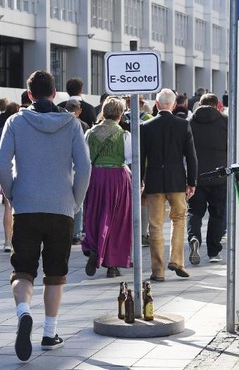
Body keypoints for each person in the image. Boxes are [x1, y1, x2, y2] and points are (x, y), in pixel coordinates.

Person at [0, 70, 91, 360]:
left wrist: (12, 193)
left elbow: (0, 163)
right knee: (55, 273)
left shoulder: (15, 121)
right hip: (61, 207)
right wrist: (75, 201)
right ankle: (50, 333)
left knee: (23, 269)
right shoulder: (71, 123)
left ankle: (23, 312)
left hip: (26, 207)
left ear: (30, 94)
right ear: (55, 92)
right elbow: (84, 168)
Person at [140, 88, 198, 281]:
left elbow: (141, 158)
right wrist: (192, 182)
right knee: (179, 219)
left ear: (157, 104)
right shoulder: (183, 125)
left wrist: (140, 182)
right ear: (173, 105)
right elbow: (191, 157)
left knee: (155, 226)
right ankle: (176, 261)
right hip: (177, 181)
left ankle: (158, 271)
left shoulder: (146, 126)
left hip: (154, 181)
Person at [82, 96, 133, 278]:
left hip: (96, 176)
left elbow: (85, 159)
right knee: (117, 220)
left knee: (95, 215)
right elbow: (130, 158)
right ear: (120, 114)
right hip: (118, 177)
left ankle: (95, 247)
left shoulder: (90, 133)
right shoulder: (125, 135)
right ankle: (112, 264)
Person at [187, 93, 228, 263]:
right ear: (216, 104)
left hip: (196, 176)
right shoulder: (225, 122)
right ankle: (213, 252)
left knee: (194, 211)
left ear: (199, 104)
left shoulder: (189, 123)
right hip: (219, 176)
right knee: (216, 214)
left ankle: (194, 237)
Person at [64, 99, 89, 245]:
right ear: (78, 109)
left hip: (63, 165)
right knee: (78, 199)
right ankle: (76, 232)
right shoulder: (82, 125)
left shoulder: (60, 121)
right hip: (77, 164)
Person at [0, 102, 20, 252]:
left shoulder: (0, 131)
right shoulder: (20, 128)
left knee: (7, 208)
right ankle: (17, 240)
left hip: (5, 173)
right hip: (19, 172)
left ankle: (7, 241)